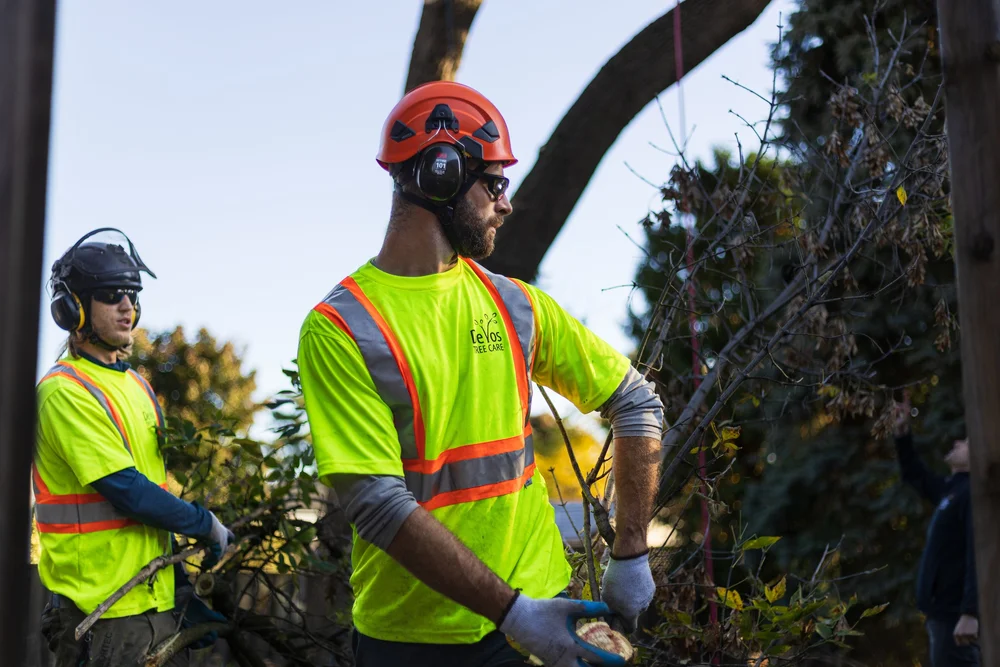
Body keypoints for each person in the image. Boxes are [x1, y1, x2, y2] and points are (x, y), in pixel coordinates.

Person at [297, 81, 665, 667]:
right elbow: (378, 505)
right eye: (494, 183)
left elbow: (637, 402)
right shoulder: (344, 327)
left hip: (545, 609)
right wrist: (515, 615)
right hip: (413, 641)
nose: (506, 203)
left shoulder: (514, 305)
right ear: (439, 174)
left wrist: (631, 553)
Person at [35, 229, 233, 666]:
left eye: (132, 294)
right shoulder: (64, 391)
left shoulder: (136, 386)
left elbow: (155, 492)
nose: (127, 306)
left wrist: (180, 587)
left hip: (155, 602)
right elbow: (128, 491)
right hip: (102, 613)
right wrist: (204, 524)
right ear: (72, 308)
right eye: (111, 295)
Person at [893, 394, 979, 667]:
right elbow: (915, 474)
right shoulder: (951, 490)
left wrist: (971, 612)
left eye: (966, 443)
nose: (957, 442)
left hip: (957, 618)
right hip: (942, 616)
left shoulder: (973, 494)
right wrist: (902, 433)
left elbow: (979, 552)